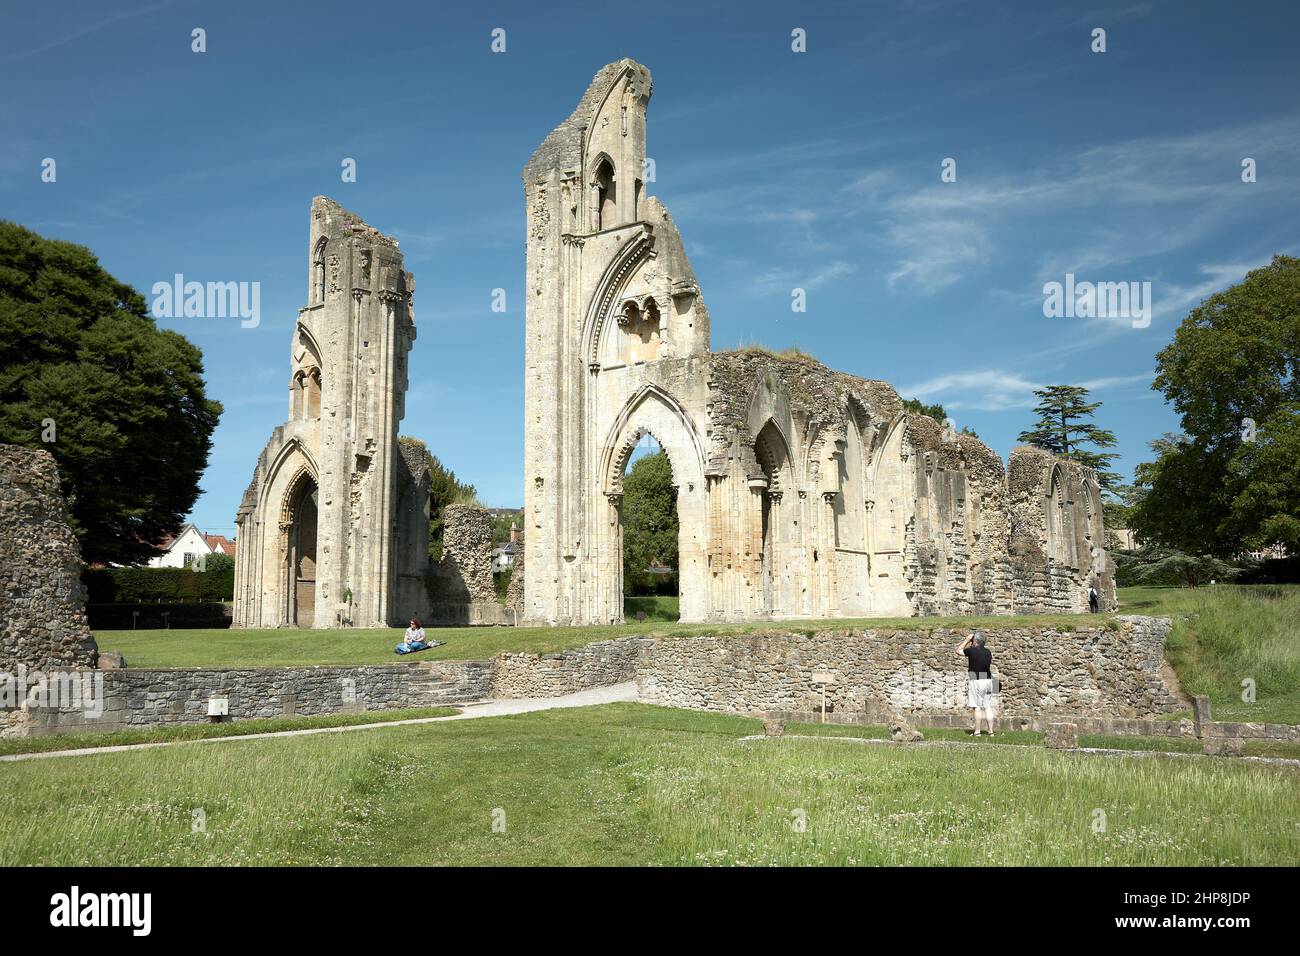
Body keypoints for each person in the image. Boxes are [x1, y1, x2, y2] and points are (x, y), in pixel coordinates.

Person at [957, 631, 997, 736]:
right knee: (987, 706)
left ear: (975, 641)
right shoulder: (988, 652)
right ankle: (991, 732)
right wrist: (973, 642)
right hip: (987, 679)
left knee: (977, 707)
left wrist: (967, 640)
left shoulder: (971, 651)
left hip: (976, 679)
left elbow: (958, 651)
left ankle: (977, 731)